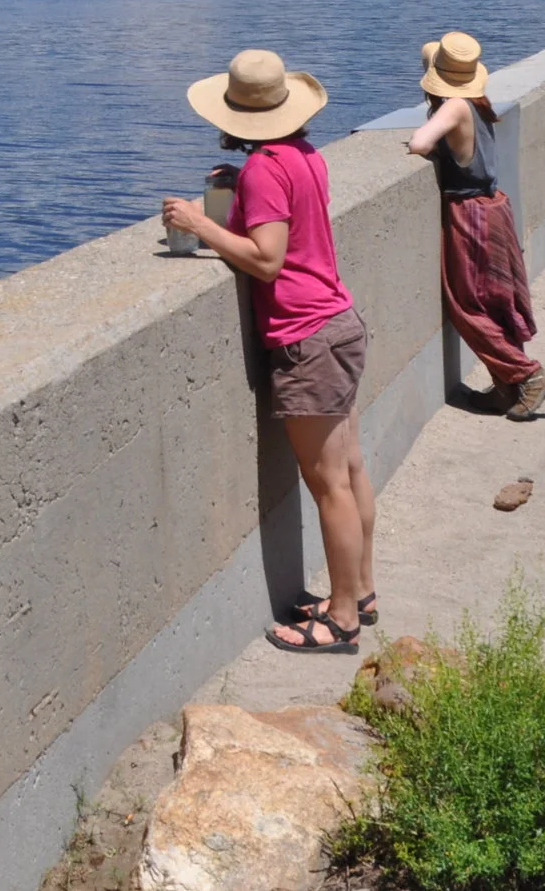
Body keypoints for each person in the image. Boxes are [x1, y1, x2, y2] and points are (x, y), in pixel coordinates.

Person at [161, 49, 377, 655]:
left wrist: (200, 224)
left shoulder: (262, 170)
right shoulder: (302, 157)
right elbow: (290, 215)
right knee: (352, 469)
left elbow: (266, 258)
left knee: (328, 480)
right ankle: (359, 590)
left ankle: (340, 622)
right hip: (339, 320)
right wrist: (241, 192)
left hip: (307, 335)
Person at [408, 33, 545, 422]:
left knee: (468, 305)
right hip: (493, 207)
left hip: (469, 211)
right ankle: (506, 386)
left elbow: (420, 143)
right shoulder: (475, 103)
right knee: (496, 301)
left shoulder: (455, 106)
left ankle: (529, 375)